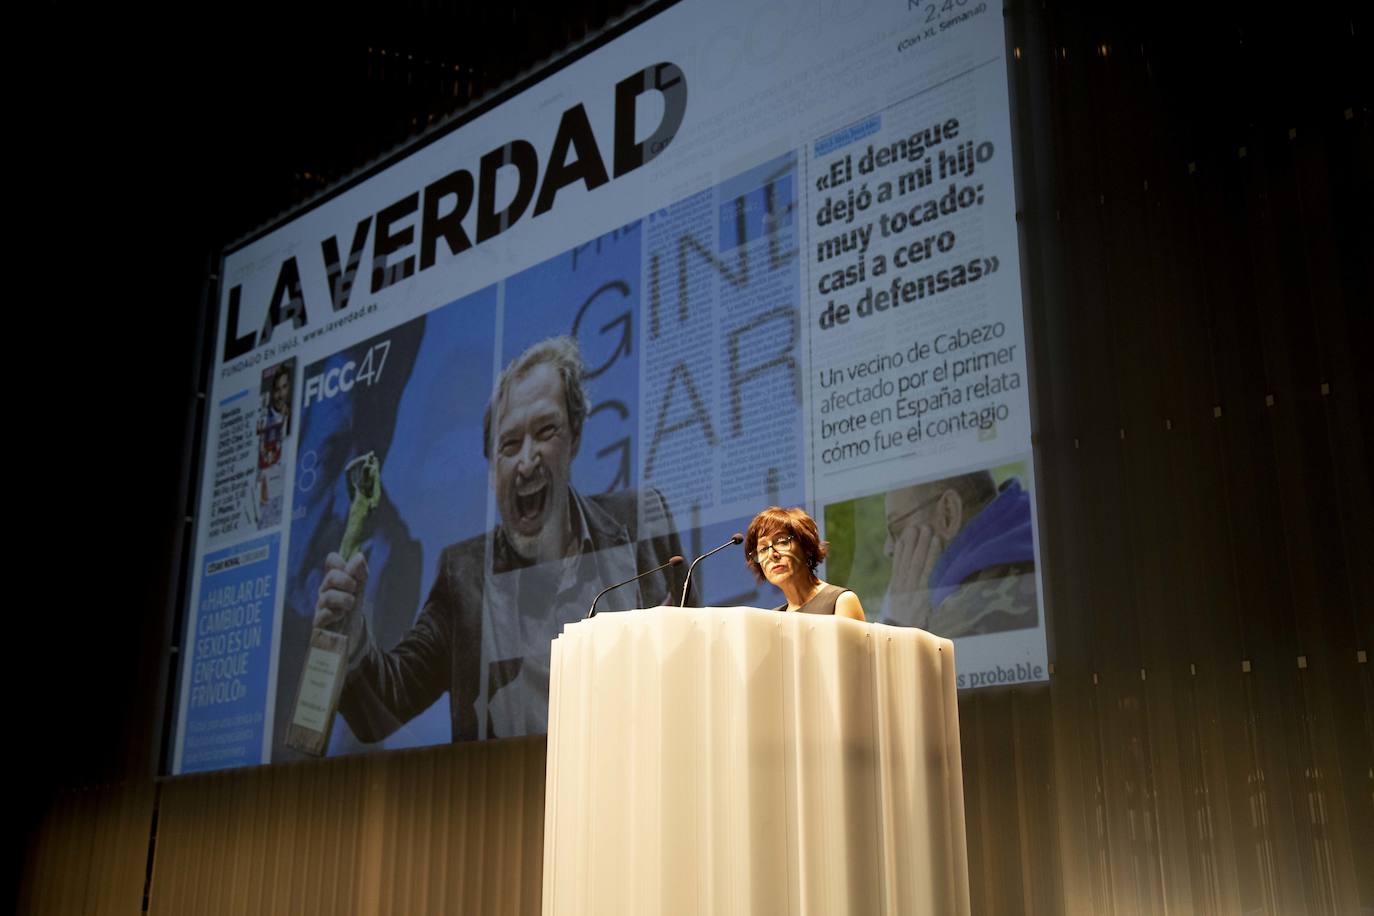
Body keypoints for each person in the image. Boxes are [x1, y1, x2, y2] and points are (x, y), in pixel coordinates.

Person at [314, 336, 682, 742]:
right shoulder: (465, 576)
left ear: (574, 438)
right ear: (493, 472)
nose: (526, 461)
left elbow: (697, 684)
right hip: (510, 795)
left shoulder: (640, 523)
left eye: (545, 431)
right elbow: (388, 703)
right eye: (509, 445)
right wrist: (352, 643)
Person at [881, 471, 1036, 637]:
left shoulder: (962, 617)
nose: (888, 548)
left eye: (896, 528)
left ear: (949, 512)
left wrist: (901, 627)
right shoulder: (1035, 525)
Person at [744, 506, 865, 619]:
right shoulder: (773, 619)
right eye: (763, 549)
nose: (771, 554)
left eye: (781, 541)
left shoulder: (841, 601)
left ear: (806, 546)